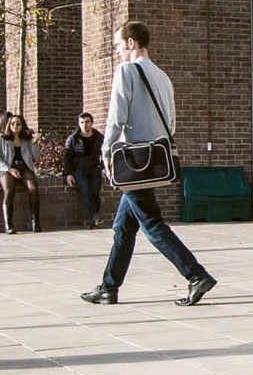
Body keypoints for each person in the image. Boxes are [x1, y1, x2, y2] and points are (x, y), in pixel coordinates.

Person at [80, 22, 217, 306]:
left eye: (118, 45)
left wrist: (106, 151)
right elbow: (172, 122)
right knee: (123, 226)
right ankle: (109, 286)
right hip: (156, 160)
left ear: (131, 43)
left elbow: (117, 116)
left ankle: (195, 274)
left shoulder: (127, 71)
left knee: (152, 224)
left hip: (133, 163)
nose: (117, 51)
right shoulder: (162, 76)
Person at [0, 113, 41, 233]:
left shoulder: (26, 138)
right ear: (9, 124)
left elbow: (35, 157)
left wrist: (35, 143)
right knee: (9, 189)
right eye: (13, 123)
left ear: (22, 125)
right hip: (6, 169)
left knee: (33, 188)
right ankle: (9, 225)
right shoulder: (2, 137)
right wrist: (9, 169)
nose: (15, 126)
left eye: (18, 123)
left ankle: (36, 222)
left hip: (24, 168)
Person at [63, 111, 105, 226]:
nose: (85, 125)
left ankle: (93, 219)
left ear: (92, 123)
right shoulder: (73, 139)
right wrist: (69, 174)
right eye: (82, 122)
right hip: (79, 168)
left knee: (95, 192)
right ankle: (95, 216)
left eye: (87, 122)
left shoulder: (99, 137)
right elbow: (67, 157)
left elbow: (105, 153)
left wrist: (103, 167)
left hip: (94, 167)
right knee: (86, 191)